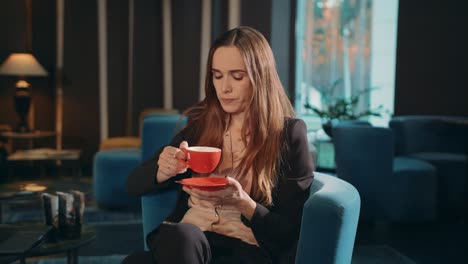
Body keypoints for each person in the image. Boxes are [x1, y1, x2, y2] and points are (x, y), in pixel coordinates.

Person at [123, 26, 314, 264]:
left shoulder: (288, 134)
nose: (225, 88)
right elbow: (132, 184)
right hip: (188, 239)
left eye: (237, 76)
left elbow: (289, 231)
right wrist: (162, 171)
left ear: (260, 77)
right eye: (217, 75)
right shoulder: (201, 126)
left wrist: (243, 202)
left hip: (244, 247)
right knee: (171, 242)